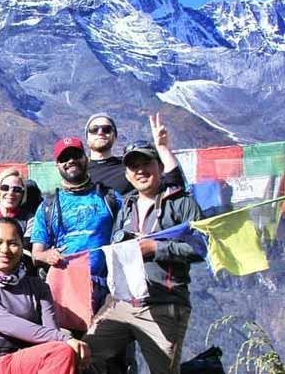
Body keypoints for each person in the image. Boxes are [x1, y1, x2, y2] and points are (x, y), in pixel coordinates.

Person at [84, 116, 204, 374]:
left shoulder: (181, 203)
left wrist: (155, 248)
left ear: (159, 167)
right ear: (127, 173)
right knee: (84, 354)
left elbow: (201, 247)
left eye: (146, 163)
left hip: (164, 305)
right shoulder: (125, 206)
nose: (140, 170)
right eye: (133, 166)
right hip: (121, 303)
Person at [0, 218, 91, 374]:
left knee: (66, 353)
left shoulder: (39, 287)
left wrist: (66, 343)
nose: (5, 249)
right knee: (62, 350)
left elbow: (51, 333)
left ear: (22, 248)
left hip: (31, 361)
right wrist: (65, 339)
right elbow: (7, 323)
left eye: (13, 243)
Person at [30, 137, 121, 311]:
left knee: (105, 337)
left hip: (108, 290)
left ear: (86, 158)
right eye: (64, 158)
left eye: (76, 155)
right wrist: (47, 255)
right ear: (57, 165)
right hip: (66, 291)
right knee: (68, 338)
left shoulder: (110, 197)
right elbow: (36, 255)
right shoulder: (47, 207)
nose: (71, 161)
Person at [85, 113, 184, 194]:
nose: (100, 132)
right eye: (94, 129)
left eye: (107, 129)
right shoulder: (79, 171)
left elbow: (173, 187)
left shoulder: (130, 165)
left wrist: (162, 147)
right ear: (87, 137)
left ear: (114, 136)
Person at [0, 168, 33, 239]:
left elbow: (26, 248)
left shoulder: (29, 220)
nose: (10, 193)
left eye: (17, 190)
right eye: (5, 188)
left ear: (22, 194)